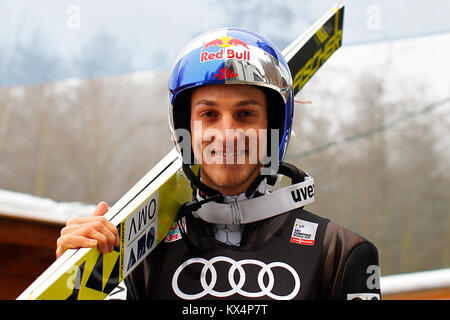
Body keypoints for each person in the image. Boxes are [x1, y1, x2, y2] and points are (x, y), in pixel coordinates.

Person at [56, 28, 381, 300]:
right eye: (209, 115)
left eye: (245, 114)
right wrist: (76, 280)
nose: (227, 134)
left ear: (275, 129)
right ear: (185, 131)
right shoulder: (136, 254)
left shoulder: (339, 252)